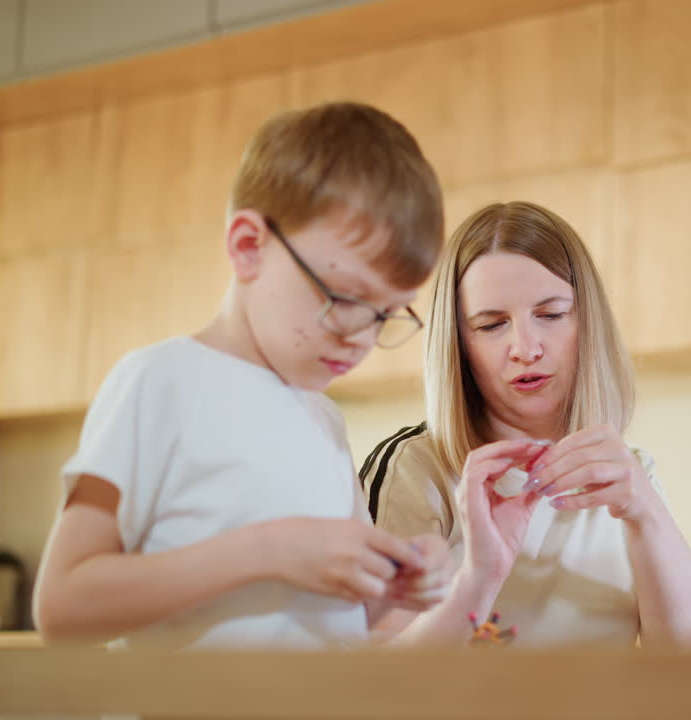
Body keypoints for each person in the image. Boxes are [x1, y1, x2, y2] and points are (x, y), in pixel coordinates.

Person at [32, 102, 451, 650]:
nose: (363, 338)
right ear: (249, 246)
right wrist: (269, 551)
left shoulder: (323, 419)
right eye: (346, 298)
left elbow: (334, 617)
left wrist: (395, 585)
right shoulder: (160, 382)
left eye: (387, 313)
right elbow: (63, 604)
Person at [362, 201, 691, 648]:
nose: (526, 348)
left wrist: (645, 513)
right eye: (492, 325)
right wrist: (479, 576)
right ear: (459, 345)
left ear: (587, 322)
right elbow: (373, 680)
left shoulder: (628, 474)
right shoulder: (413, 469)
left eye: (551, 315)